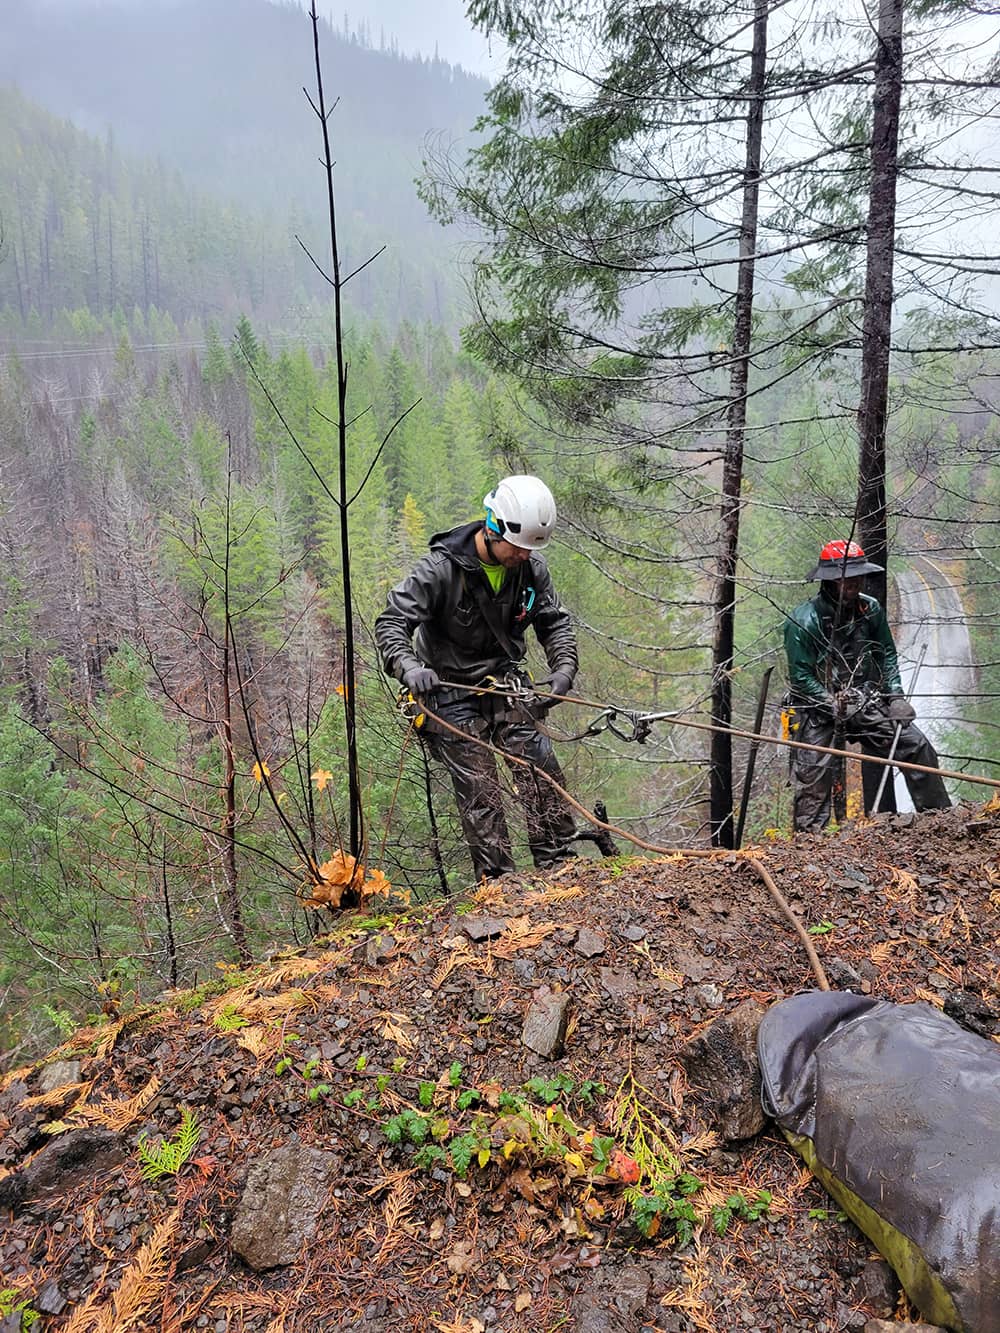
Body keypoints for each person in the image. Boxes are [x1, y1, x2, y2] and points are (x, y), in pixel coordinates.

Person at [374, 474, 579, 882]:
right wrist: (411, 668)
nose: (523, 557)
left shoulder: (531, 570)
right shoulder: (440, 570)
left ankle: (560, 867)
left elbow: (555, 623)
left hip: (504, 681)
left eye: (529, 550)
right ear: (493, 526)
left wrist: (563, 670)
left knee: (539, 764)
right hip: (449, 689)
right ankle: (501, 884)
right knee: (480, 789)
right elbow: (392, 622)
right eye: (517, 548)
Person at [783, 539, 951, 832]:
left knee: (916, 745)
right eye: (846, 578)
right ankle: (810, 845)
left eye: (857, 576)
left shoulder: (869, 609)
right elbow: (801, 678)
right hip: (815, 709)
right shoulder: (803, 621)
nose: (853, 582)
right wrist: (829, 702)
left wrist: (895, 696)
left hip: (862, 701)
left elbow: (885, 652)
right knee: (813, 775)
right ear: (830, 580)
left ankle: (940, 823)